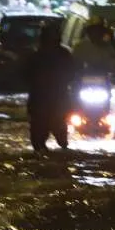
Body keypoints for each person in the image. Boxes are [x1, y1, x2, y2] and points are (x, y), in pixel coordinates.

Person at [24, 21, 75, 152]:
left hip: (50, 98)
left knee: (55, 131)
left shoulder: (37, 55)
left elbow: (73, 74)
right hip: (45, 99)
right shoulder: (37, 55)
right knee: (43, 132)